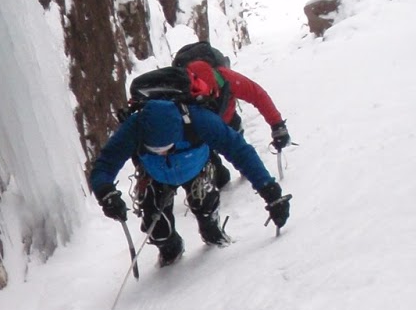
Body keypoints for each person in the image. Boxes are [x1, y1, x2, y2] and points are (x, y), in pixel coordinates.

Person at [89, 97, 290, 266]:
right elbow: (105, 163)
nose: (163, 153)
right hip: (155, 176)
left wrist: (270, 192)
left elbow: (240, 151)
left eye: (166, 147)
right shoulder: (134, 128)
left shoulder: (200, 121)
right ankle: (170, 248)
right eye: (156, 150)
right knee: (159, 232)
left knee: (205, 210)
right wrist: (105, 192)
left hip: (196, 169)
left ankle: (210, 227)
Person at [174, 47, 291, 189]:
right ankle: (218, 175)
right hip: (203, 131)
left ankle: (245, 170)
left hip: (226, 120)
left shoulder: (226, 78)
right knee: (220, 179)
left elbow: (257, 95)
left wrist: (277, 125)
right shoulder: (180, 90)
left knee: (241, 152)